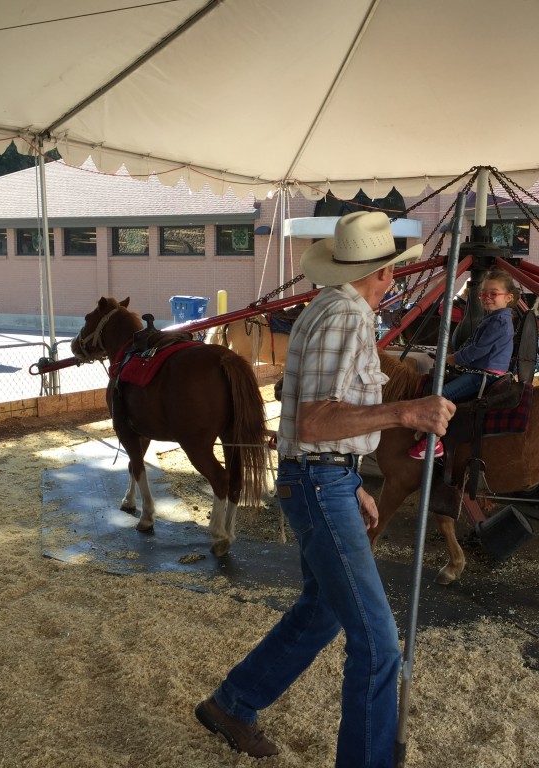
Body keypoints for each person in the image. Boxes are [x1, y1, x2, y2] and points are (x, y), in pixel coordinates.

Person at [195, 211, 455, 766]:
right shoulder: (346, 317)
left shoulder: (327, 310)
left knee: (323, 611)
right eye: (390, 272)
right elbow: (315, 422)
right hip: (318, 479)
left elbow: (321, 422)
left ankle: (233, 703)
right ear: (378, 274)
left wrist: (350, 477)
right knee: (380, 645)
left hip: (322, 478)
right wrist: (405, 410)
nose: (393, 281)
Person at [408, 268, 516, 459]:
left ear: (508, 298)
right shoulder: (494, 318)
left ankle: (433, 442)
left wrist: (455, 358)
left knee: (440, 396)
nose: (487, 297)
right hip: (483, 371)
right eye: (483, 294)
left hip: (484, 375)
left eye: (493, 294)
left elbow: (479, 349)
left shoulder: (498, 321)